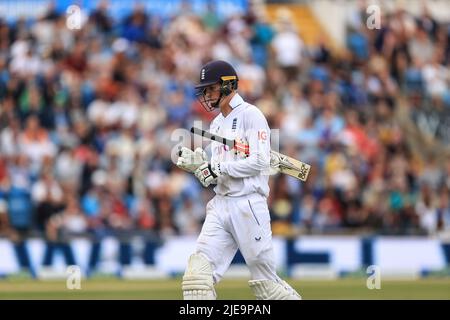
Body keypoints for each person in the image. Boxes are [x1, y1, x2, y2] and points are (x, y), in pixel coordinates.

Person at [176, 60, 301, 300]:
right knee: (196, 278)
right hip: (220, 204)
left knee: (266, 286)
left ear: (228, 85)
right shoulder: (217, 123)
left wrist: (218, 168)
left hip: (248, 205)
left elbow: (261, 161)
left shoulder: (250, 115)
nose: (206, 94)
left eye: (210, 88)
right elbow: (218, 175)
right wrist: (201, 168)